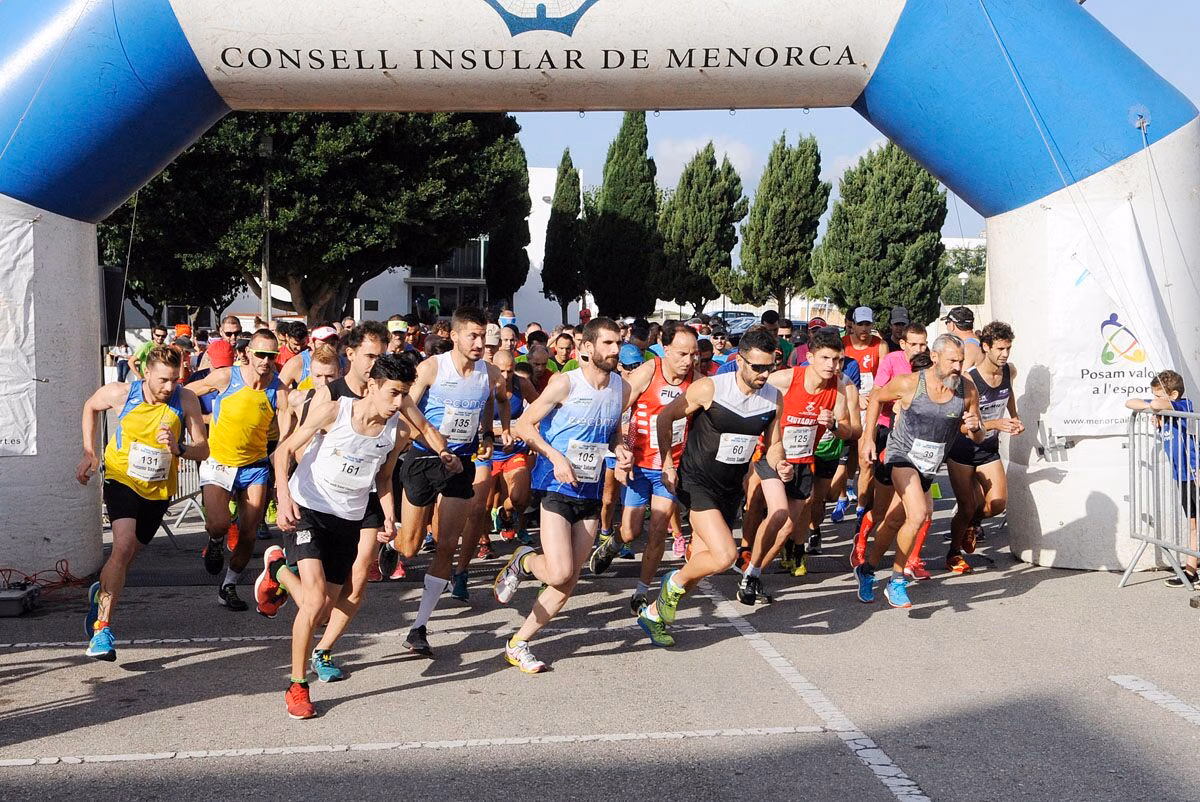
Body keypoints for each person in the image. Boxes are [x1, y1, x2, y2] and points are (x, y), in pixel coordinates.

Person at [262, 354, 414, 718]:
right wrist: (283, 497)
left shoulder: (397, 432)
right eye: (393, 393)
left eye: (404, 395)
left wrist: (389, 517)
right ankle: (297, 685)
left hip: (347, 518)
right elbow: (282, 452)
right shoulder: (334, 411)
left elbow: (383, 478)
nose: (398, 403)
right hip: (308, 510)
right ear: (372, 385)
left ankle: (278, 572)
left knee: (326, 608)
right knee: (313, 603)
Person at [492, 318, 631, 672]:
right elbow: (524, 425)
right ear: (587, 347)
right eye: (608, 344)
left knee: (568, 579)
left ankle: (518, 643)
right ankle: (524, 560)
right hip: (555, 487)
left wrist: (622, 449)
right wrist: (555, 457)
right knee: (558, 572)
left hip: (591, 490)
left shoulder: (620, 387)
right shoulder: (564, 383)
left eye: (618, 344)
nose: (614, 351)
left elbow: (613, 432)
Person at [637, 327, 788, 647]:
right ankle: (669, 582)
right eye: (757, 367)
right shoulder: (710, 388)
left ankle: (654, 614)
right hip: (697, 483)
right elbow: (665, 418)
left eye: (769, 367)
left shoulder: (773, 398)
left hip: (730, 489)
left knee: (700, 565)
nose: (763, 374)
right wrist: (666, 463)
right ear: (740, 360)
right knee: (724, 555)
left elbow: (774, 445)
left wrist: (781, 462)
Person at [377, 307, 508, 655]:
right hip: (423, 459)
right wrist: (419, 435)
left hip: (460, 462)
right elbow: (405, 402)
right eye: (473, 336)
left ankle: (419, 627)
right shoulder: (432, 367)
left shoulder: (490, 373)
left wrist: (489, 433)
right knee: (411, 546)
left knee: (448, 544)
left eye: (483, 336)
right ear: (454, 336)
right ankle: (392, 546)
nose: (480, 343)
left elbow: (493, 403)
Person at [78, 346, 209, 660]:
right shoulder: (122, 394)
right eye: (163, 379)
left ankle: (102, 594)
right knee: (121, 549)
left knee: (125, 560)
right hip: (122, 478)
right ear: (146, 372)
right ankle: (102, 629)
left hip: (159, 490)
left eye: (174, 380)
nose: (169, 387)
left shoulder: (186, 399)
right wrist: (90, 452)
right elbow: (90, 407)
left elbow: (203, 449)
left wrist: (178, 448)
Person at [855, 334, 985, 609]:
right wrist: (868, 439)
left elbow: (978, 436)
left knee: (892, 522)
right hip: (901, 455)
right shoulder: (910, 383)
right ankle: (897, 580)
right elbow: (877, 397)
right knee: (919, 514)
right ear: (935, 357)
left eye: (961, 362)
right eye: (952, 361)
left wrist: (975, 427)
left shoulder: (967, 391)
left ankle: (866, 569)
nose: (957, 368)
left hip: (929, 465)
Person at [590, 323, 699, 615]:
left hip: (668, 468)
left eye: (693, 354)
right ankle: (613, 543)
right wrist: (620, 451)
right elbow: (618, 410)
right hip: (638, 463)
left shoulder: (698, 381)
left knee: (658, 530)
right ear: (665, 349)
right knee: (630, 531)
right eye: (681, 353)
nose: (687, 361)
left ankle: (641, 591)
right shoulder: (649, 372)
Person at [742, 327, 853, 603]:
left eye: (838, 360)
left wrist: (835, 425)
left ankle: (752, 574)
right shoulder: (786, 379)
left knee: (788, 527)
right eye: (826, 358)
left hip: (803, 463)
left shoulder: (838, 390)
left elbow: (852, 431)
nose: (833, 366)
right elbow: (748, 388)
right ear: (811, 357)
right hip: (772, 456)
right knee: (774, 511)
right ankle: (745, 556)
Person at [186, 329, 289, 611]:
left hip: (254, 467)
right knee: (218, 523)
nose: (266, 361)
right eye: (261, 354)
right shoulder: (226, 377)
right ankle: (216, 539)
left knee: (249, 533)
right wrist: (190, 422)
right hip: (219, 462)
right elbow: (186, 394)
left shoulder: (278, 391)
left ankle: (228, 586)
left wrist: (283, 460)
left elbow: (289, 430)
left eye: (272, 355)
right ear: (247, 353)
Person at [852, 323, 930, 577]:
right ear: (903, 344)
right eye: (915, 344)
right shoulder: (891, 362)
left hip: (923, 445)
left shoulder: (930, 364)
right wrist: (869, 437)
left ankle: (913, 560)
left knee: (925, 511)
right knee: (883, 511)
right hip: (890, 433)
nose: (920, 349)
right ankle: (861, 542)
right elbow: (877, 396)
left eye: (924, 344)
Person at [946, 321, 1023, 574]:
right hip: (963, 450)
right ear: (986, 346)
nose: (1004, 354)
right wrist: (995, 423)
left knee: (998, 504)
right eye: (1000, 349)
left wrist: (1014, 416)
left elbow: (1008, 393)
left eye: (1008, 349)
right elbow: (958, 425)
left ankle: (972, 524)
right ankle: (954, 552)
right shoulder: (968, 380)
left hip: (988, 448)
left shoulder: (1008, 371)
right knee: (966, 506)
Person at [1126, 369, 1198, 586]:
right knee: (1193, 525)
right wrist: (1152, 404)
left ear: (1173, 395)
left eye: (1158, 394)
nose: (1154, 399)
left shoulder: (1183, 406)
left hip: (1195, 471)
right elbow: (1131, 402)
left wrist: (1155, 405)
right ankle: (1191, 571)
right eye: (1154, 394)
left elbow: (1158, 405)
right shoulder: (1163, 406)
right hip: (1182, 475)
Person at [943, 306, 983, 371]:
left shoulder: (968, 348)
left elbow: (960, 376)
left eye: (947, 322)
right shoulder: (975, 342)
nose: (947, 326)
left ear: (952, 325)